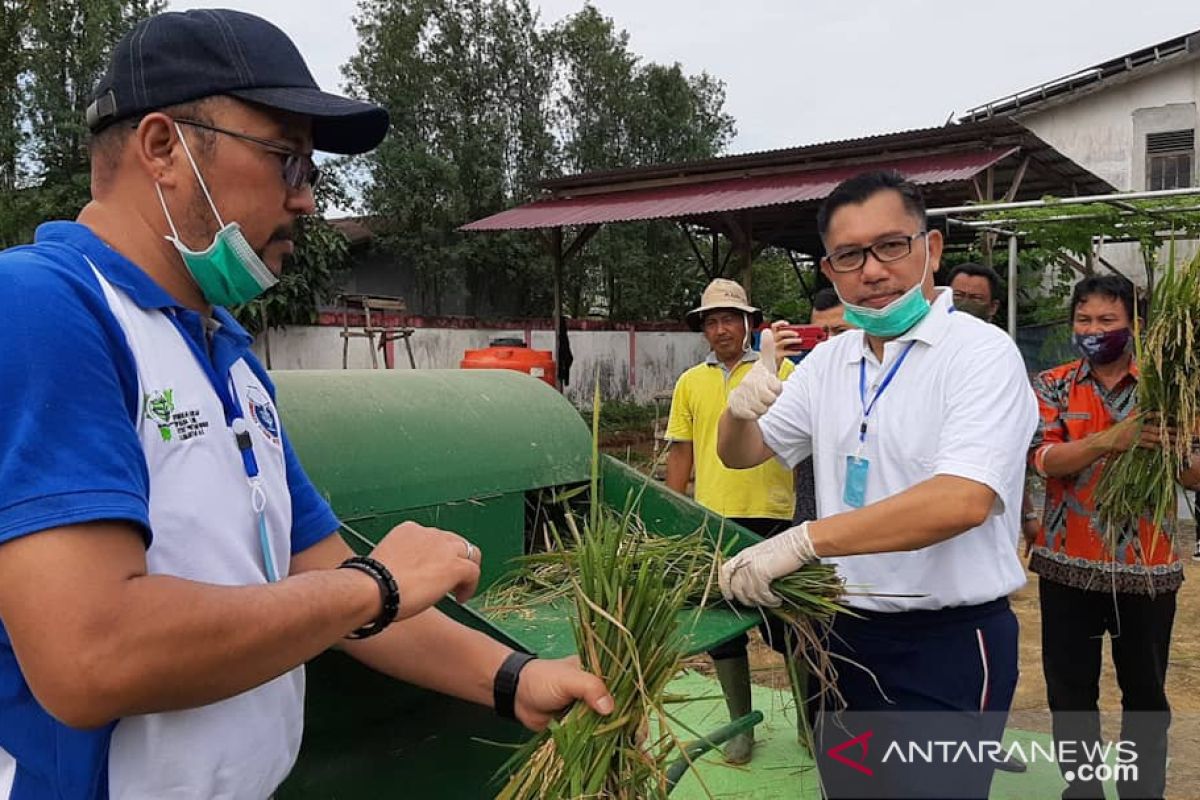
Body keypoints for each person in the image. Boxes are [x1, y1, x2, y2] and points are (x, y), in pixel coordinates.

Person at [0, 10, 612, 798]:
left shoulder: (226, 353)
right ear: (163, 149)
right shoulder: (44, 308)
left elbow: (315, 572)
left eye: (311, 172)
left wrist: (512, 676)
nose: (308, 201)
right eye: (286, 161)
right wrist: (379, 587)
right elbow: (91, 658)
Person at [715, 170, 1038, 799]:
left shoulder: (981, 355)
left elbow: (963, 498)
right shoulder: (830, 363)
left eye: (892, 245)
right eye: (849, 256)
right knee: (851, 789)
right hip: (843, 638)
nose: (873, 270)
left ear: (931, 248)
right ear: (831, 270)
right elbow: (743, 454)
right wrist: (738, 407)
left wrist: (803, 542)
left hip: (946, 644)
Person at [1028, 275, 1200, 800]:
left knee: (1145, 693)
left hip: (1148, 568)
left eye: (1107, 320)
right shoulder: (1053, 384)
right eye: (1084, 320)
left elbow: (1193, 473)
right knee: (1070, 691)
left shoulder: (1170, 386)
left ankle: (1141, 791)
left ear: (1134, 324)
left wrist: (1176, 451)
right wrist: (1113, 439)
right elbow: (1045, 460)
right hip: (1067, 566)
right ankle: (1081, 790)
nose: (1094, 330)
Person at [664, 278, 798, 763]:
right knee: (723, 632)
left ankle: (808, 720)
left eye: (729, 319)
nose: (720, 329)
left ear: (749, 323)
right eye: (711, 321)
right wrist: (673, 514)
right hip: (712, 518)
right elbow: (681, 449)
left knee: (789, 627)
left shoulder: (780, 369)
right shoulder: (690, 382)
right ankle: (741, 728)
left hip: (773, 516)